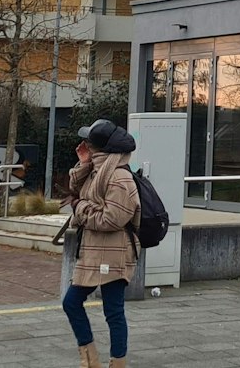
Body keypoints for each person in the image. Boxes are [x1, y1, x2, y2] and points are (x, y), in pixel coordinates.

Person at [61, 118, 139, 368]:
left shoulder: (119, 178)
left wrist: (79, 207)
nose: (85, 145)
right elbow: (76, 188)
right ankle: (90, 360)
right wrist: (84, 163)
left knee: (113, 311)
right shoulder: (98, 170)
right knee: (71, 303)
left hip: (115, 251)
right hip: (93, 250)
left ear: (101, 148)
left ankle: (117, 364)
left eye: (89, 142)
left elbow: (110, 219)